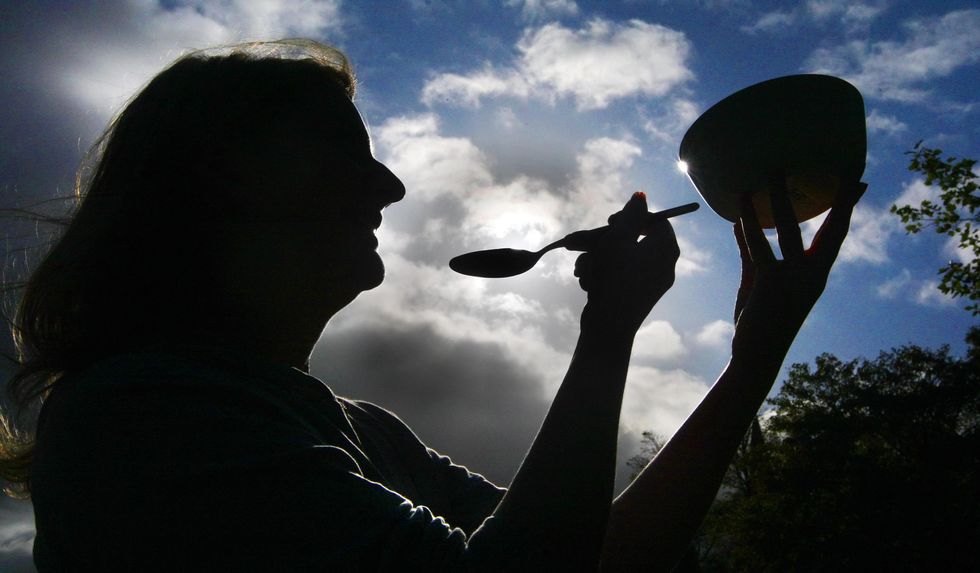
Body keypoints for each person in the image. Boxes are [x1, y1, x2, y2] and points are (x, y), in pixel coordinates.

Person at [0, 39, 865, 571]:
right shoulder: (139, 415)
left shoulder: (365, 432)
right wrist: (604, 338)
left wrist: (754, 357)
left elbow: (595, 552)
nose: (391, 183)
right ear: (214, 178)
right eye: (344, 152)